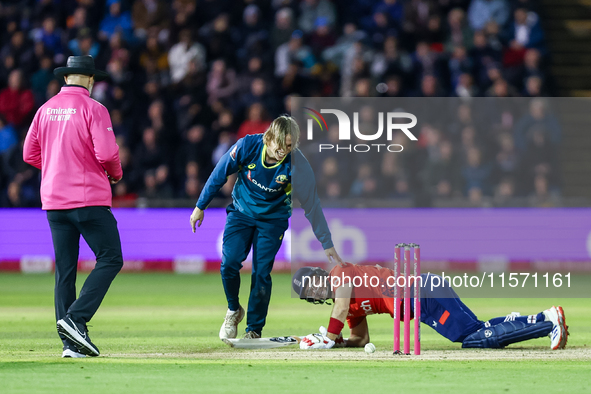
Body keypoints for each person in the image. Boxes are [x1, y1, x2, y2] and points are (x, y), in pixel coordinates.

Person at [190, 115, 343, 340]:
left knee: (262, 273)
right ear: (269, 138)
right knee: (229, 263)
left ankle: (253, 329)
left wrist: (326, 243)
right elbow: (219, 174)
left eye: (290, 146)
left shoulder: (298, 164)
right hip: (241, 213)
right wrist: (200, 206)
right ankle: (234, 310)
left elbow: (312, 205)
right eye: (281, 145)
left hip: (273, 221)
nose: (284, 151)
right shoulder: (247, 146)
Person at [23, 55, 123, 358]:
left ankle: (71, 345)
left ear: (66, 78)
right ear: (90, 80)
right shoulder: (95, 108)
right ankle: (75, 319)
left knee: (65, 271)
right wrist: (115, 175)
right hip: (88, 198)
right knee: (111, 258)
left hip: (53, 201)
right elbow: (106, 153)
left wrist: (56, 167)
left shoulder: (45, 109)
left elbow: (29, 153)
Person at [292, 263, 569, 350]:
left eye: (312, 283)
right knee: (476, 331)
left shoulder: (339, 272)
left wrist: (326, 338)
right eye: (309, 292)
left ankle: (547, 326)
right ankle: (542, 317)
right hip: (422, 301)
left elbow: (338, 309)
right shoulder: (348, 308)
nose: (315, 290)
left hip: (421, 292)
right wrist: (340, 342)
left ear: (319, 274)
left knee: (473, 340)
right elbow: (360, 338)